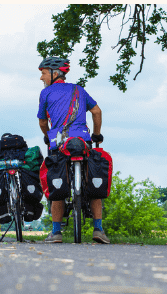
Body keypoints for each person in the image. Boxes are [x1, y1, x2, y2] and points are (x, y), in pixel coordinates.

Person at [36, 56, 108, 244]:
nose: (41, 78)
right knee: (91, 181)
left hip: (59, 144)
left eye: (43, 73)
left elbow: (43, 122)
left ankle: (56, 232)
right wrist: (97, 135)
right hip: (82, 141)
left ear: (54, 73)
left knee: (57, 180)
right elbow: (97, 112)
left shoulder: (46, 94)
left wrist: (48, 135)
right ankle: (98, 230)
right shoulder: (79, 90)